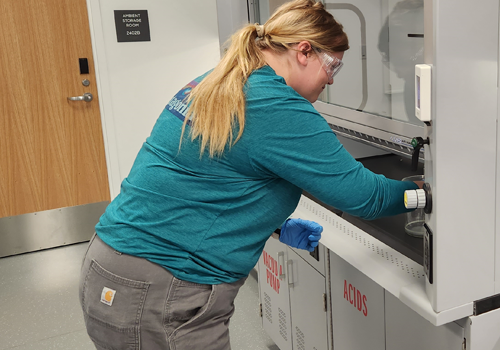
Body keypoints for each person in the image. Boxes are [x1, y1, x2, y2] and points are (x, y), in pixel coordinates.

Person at [79, 1, 420, 349]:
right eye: (332, 64)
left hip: (111, 266)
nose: (331, 78)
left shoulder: (216, 82)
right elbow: (365, 196)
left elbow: (204, 176)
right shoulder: (276, 106)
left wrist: (271, 225)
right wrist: (424, 193)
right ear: (304, 51)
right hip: (163, 290)